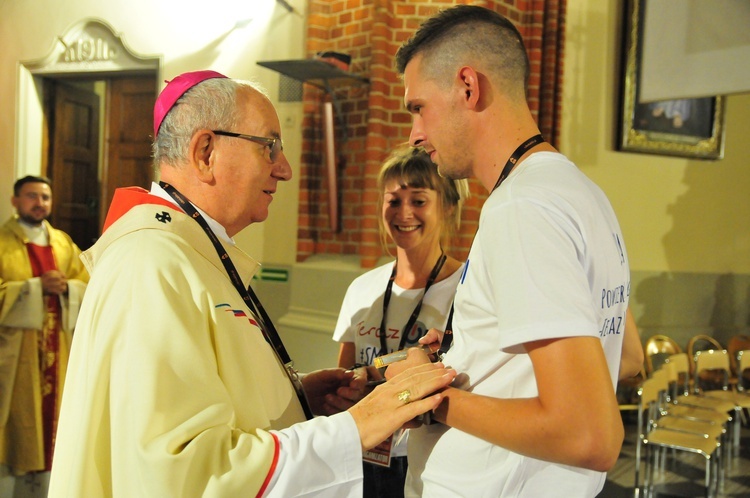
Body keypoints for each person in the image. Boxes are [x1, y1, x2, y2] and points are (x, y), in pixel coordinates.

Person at [47, 70, 456, 497]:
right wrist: (360, 424)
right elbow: (188, 472)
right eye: (270, 147)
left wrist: (295, 397)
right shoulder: (151, 264)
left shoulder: (192, 252)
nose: (285, 169)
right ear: (205, 151)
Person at [387, 5, 631, 496]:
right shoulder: (581, 192)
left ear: (468, 87)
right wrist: (478, 348)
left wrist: (425, 394)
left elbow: (590, 435)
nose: (415, 133)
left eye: (419, 108)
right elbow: (624, 358)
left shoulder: (523, 206)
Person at [333, 145, 467, 497]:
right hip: (362, 450)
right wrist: (347, 388)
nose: (404, 212)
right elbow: (344, 376)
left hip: (427, 456)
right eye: (393, 200)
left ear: (448, 206)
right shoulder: (363, 288)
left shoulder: (467, 289)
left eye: (419, 200)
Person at [0, 175, 89, 495]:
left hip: (58, 349)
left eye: (45, 197)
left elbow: (88, 285)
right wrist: (35, 288)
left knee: (57, 422)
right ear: (14, 201)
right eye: (31, 196)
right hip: (15, 355)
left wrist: (68, 288)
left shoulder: (63, 243)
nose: (39, 203)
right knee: (16, 426)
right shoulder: (2, 242)